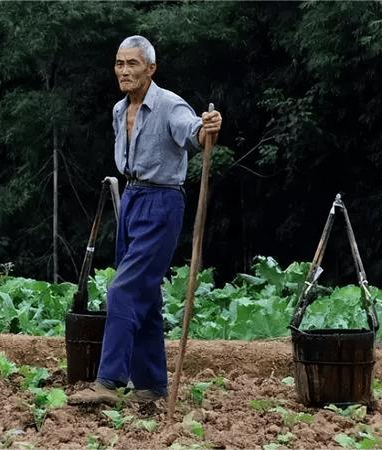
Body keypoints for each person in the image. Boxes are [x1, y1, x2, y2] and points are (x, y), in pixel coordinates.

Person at [70, 35, 222, 405]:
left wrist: (207, 129)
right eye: (120, 64)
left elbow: (194, 133)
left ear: (150, 68)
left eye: (132, 64)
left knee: (122, 289)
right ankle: (152, 386)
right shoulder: (119, 111)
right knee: (144, 297)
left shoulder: (170, 105)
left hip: (161, 202)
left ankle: (108, 381)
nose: (124, 71)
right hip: (132, 198)